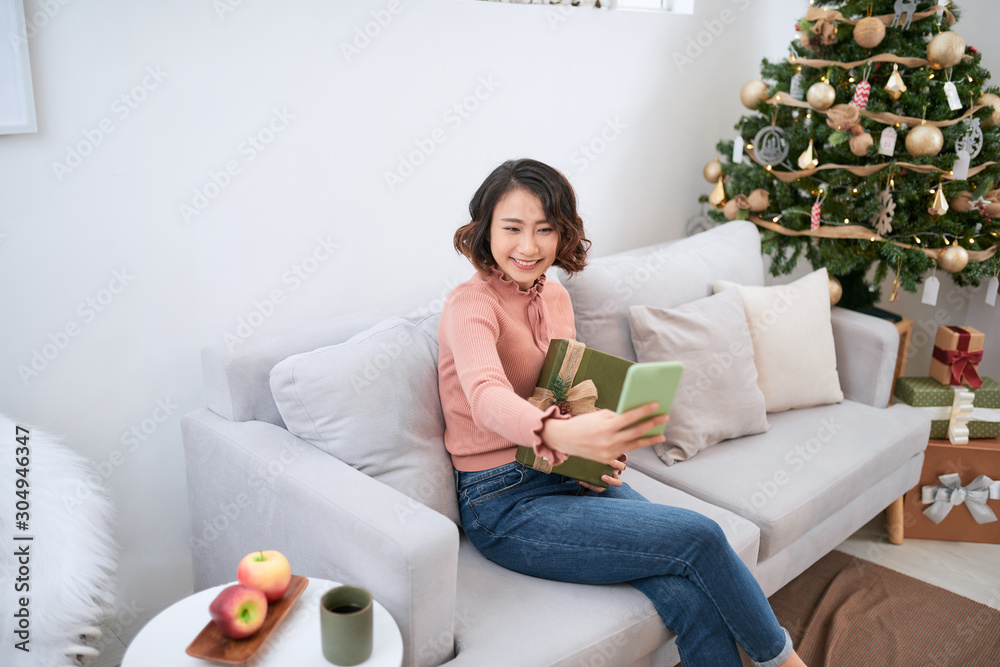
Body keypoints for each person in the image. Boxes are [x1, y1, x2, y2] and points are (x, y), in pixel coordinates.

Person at [437, 158, 807, 667]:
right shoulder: (469, 305)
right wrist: (560, 435)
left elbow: (566, 390)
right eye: (512, 228)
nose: (528, 246)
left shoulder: (558, 298)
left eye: (545, 229)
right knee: (701, 536)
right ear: (485, 229)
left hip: (565, 476)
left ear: (563, 234)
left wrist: (596, 458)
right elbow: (485, 397)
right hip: (503, 502)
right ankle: (784, 662)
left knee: (688, 591)